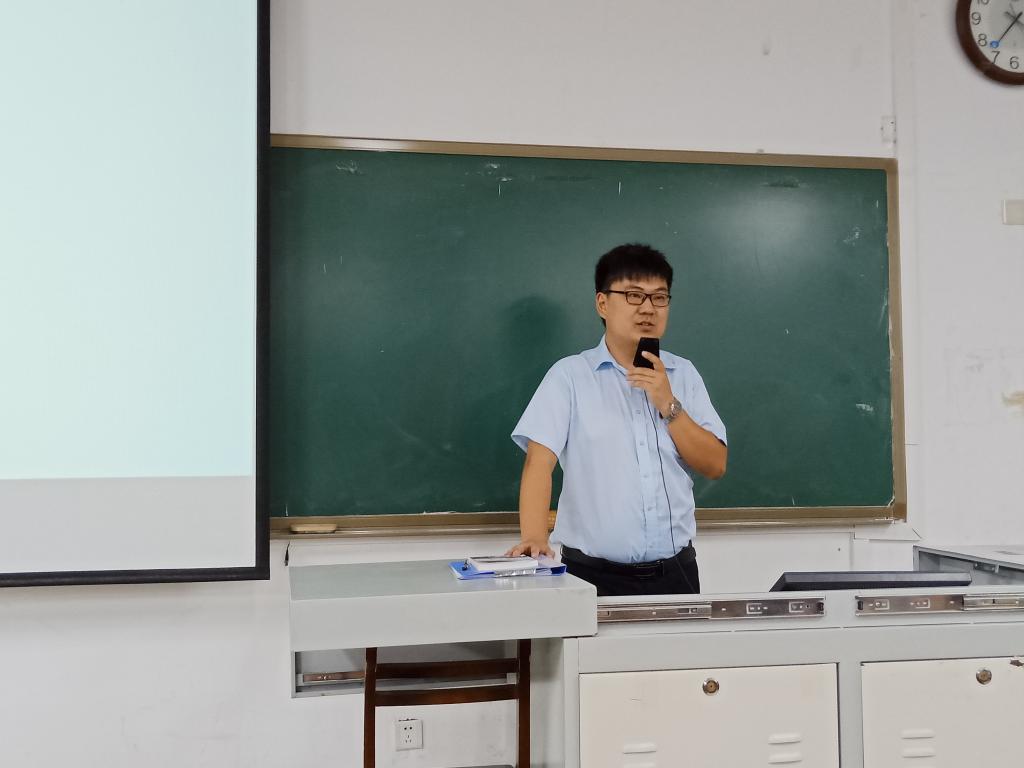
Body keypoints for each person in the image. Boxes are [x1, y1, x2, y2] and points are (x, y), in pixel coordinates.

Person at [506, 243, 727, 596]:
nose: (648, 308)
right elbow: (538, 462)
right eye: (634, 295)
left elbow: (715, 464)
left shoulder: (683, 374)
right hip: (592, 576)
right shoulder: (570, 376)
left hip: (676, 574)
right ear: (603, 303)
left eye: (659, 298)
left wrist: (668, 403)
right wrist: (534, 537)